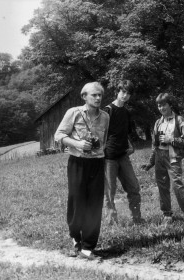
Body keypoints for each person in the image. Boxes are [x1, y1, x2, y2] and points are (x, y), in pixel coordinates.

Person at [54, 82, 110, 260]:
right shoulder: (74, 112)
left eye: (100, 95)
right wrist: (77, 144)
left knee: (94, 205)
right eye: (94, 95)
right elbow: (59, 135)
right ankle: (75, 237)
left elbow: (105, 140)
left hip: (97, 163)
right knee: (77, 201)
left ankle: (88, 247)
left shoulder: (105, 117)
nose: (98, 98)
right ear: (84, 96)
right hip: (77, 162)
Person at [141, 93, 184, 226]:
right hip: (160, 156)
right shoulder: (158, 122)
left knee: (177, 185)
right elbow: (155, 145)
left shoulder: (179, 120)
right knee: (162, 187)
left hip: (173, 157)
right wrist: (150, 162)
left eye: (163, 104)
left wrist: (170, 139)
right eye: (159, 105)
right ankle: (167, 214)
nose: (161, 108)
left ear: (170, 105)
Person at [103, 80, 143, 225]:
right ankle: (112, 223)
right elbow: (100, 134)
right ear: (118, 91)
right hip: (109, 158)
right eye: (123, 92)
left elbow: (125, 133)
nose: (125, 96)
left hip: (123, 156)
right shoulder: (107, 110)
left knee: (133, 187)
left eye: (128, 94)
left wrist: (130, 146)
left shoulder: (126, 112)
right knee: (109, 192)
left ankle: (137, 219)